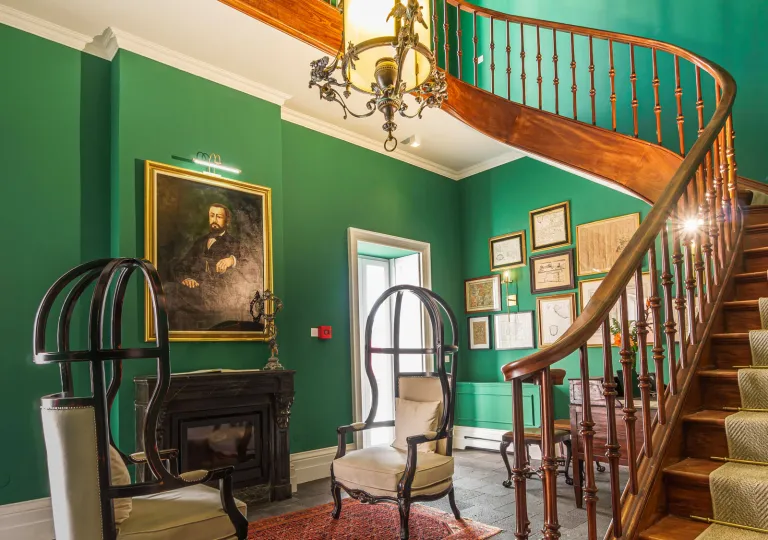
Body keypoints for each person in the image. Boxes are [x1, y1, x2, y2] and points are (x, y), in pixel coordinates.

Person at [166, 203, 247, 330]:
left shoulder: (234, 243)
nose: (214, 220)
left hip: (217, 298)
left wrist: (231, 260)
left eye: (219, 216)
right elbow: (180, 266)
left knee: (168, 290)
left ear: (227, 221)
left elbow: (249, 262)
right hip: (194, 294)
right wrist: (186, 279)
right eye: (212, 216)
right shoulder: (200, 242)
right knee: (179, 314)